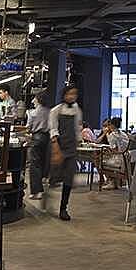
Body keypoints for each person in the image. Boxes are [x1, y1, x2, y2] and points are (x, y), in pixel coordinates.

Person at [49, 85, 83, 220]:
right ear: (64, 95)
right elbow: (53, 130)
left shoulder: (77, 109)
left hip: (71, 148)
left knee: (69, 178)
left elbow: (77, 128)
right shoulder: (56, 110)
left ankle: (63, 208)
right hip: (59, 146)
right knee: (54, 177)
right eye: (69, 94)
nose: (72, 96)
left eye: (74, 94)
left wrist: (78, 143)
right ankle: (47, 199)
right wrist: (56, 149)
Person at [26, 94, 51, 200]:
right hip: (47, 139)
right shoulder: (50, 112)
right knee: (43, 163)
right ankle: (41, 185)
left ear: (38, 100)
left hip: (36, 138)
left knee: (34, 164)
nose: (32, 101)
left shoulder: (32, 113)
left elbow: (28, 128)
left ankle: (37, 191)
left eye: (34, 99)